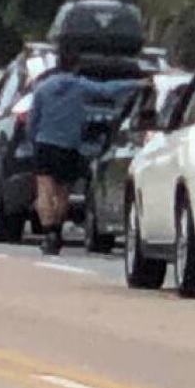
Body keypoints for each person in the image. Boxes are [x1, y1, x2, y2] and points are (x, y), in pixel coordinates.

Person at [28, 52, 147, 255]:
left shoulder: (43, 88)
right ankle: (57, 229)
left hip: (45, 143)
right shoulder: (80, 86)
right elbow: (107, 90)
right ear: (76, 67)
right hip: (69, 146)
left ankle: (49, 233)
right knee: (63, 192)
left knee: (45, 191)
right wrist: (137, 83)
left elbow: (33, 120)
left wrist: (34, 140)